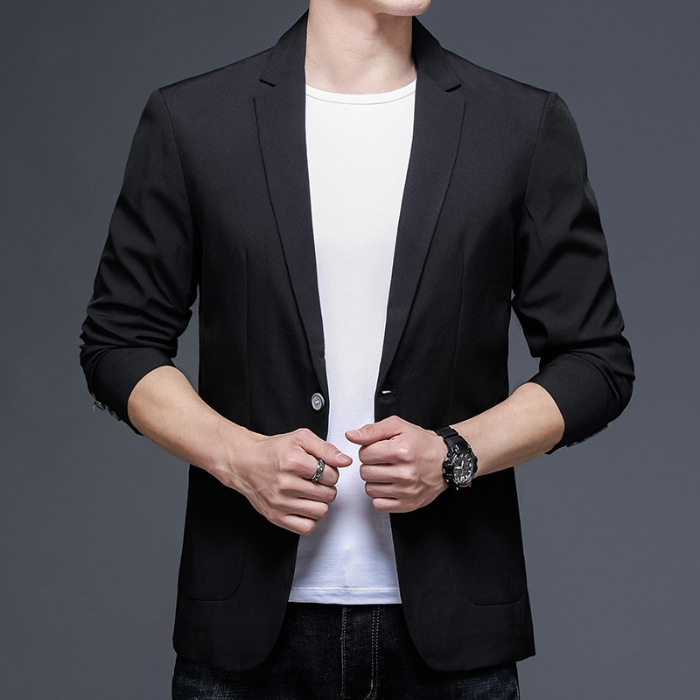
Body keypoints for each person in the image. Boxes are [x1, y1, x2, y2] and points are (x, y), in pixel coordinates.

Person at [80, 0, 634, 697]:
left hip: (454, 637)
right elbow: (120, 341)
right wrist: (237, 456)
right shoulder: (195, 119)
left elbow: (596, 361)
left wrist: (455, 454)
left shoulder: (519, 124)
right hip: (245, 633)